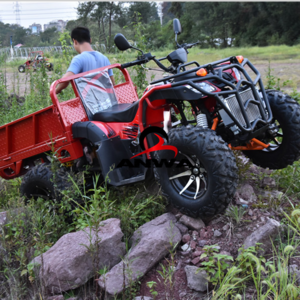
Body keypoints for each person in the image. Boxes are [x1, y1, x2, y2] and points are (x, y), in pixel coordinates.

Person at [55, 26, 115, 94]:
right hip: (107, 101)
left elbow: (65, 79)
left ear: (75, 41)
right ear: (90, 40)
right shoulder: (104, 58)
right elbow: (112, 83)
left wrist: (56, 90)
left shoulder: (79, 59)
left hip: (89, 103)